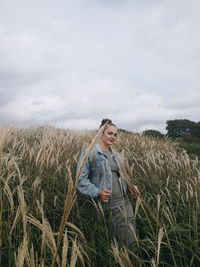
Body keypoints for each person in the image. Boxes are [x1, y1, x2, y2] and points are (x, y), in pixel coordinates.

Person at [76, 119, 139, 249]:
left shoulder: (116, 155)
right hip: (104, 205)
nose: (113, 137)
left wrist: (131, 186)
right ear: (101, 133)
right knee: (110, 242)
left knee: (131, 242)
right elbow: (80, 180)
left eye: (115, 134)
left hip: (124, 202)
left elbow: (122, 176)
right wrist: (97, 192)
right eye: (110, 133)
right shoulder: (90, 153)